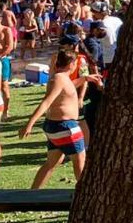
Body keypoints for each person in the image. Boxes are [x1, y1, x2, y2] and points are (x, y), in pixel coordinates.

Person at [19, 50, 102, 188]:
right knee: (80, 161)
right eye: (75, 63)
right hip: (66, 127)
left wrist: (85, 79)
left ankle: (31, 195)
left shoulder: (61, 78)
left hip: (55, 127)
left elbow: (69, 87)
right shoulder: (59, 79)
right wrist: (29, 124)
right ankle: (84, 195)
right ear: (71, 64)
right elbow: (46, 102)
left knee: (51, 163)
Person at [0, 18, 14, 122]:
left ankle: (5, 111)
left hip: (3, 59)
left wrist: (0, 55)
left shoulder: (6, 30)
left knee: (4, 86)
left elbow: (10, 46)